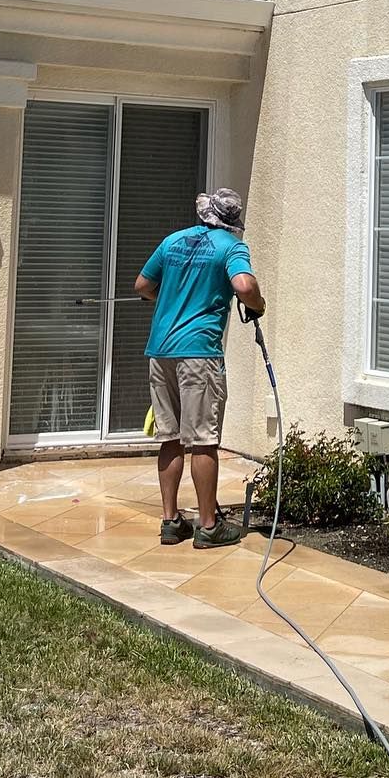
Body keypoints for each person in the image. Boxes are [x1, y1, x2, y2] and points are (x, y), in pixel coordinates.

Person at [135, 187, 264, 549]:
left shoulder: (174, 241)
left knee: (171, 437)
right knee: (203, 440)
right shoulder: (231, 247)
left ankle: (171, 521)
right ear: (231, 222)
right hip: (198, 355)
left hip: (160, 351)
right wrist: (258, 304)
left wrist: (170, 299)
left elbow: (142, 285)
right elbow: (244, 285)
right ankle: (208, 525)